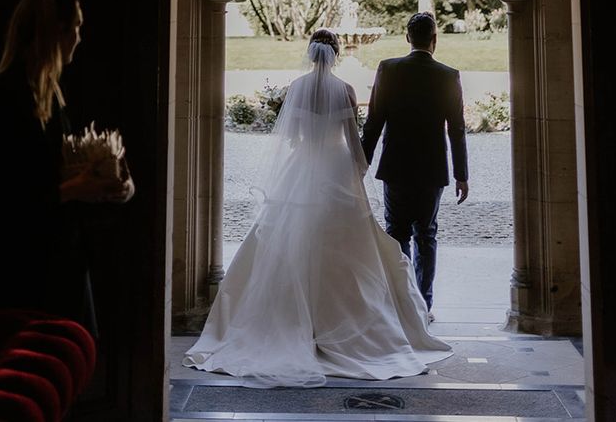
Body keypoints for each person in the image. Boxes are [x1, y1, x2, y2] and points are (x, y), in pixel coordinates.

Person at [183, 28, 451, 387]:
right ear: (336, 54)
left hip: (301, 169)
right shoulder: (344, 89)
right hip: (335, 169)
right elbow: (353, 141)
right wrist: (358, 172)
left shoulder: (296, 88)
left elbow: (291, 137)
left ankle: (286, 318)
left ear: (310, 55)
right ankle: (346, 323)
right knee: (347, 248)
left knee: (290, 241)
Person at [0, 0, 133, 334]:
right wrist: (74, 189)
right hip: (20, 264)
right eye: (76, 27)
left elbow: (55, 172)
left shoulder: (51, 96)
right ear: (55, 32)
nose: (80, 37)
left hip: (60, 256)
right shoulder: (3, 97)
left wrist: (112, 183)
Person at [361, 11, 469, 323]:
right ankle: (424, 305)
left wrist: (361, 163)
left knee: (396, 234)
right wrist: (462, 174)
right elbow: (457, 129)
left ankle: (400, 302)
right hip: (432, 169)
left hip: (395, 165)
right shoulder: (448, 75)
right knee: (427, 234)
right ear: (435, 40)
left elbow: (374, 123)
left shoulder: (389, 69)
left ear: (408, 38)